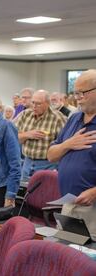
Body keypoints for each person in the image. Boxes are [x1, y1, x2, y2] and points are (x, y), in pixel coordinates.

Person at [48, 69, 96, 204]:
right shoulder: (74, 118)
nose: (77, 98)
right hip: (69, 202)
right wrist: (68, 144)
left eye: (82, 93)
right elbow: (51, 155)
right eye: (75, 93)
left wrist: (94, 193)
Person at [14, 90, 67, 181]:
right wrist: (27, 135)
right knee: (26, 193)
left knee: (45, 193)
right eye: (33, 102)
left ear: (47, 103)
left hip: (48, 165)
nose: (34, 106)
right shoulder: (25, 114)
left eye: (38, 104)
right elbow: (11, 137)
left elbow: (65, 144)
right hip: (27, 163)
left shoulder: (58, 118)